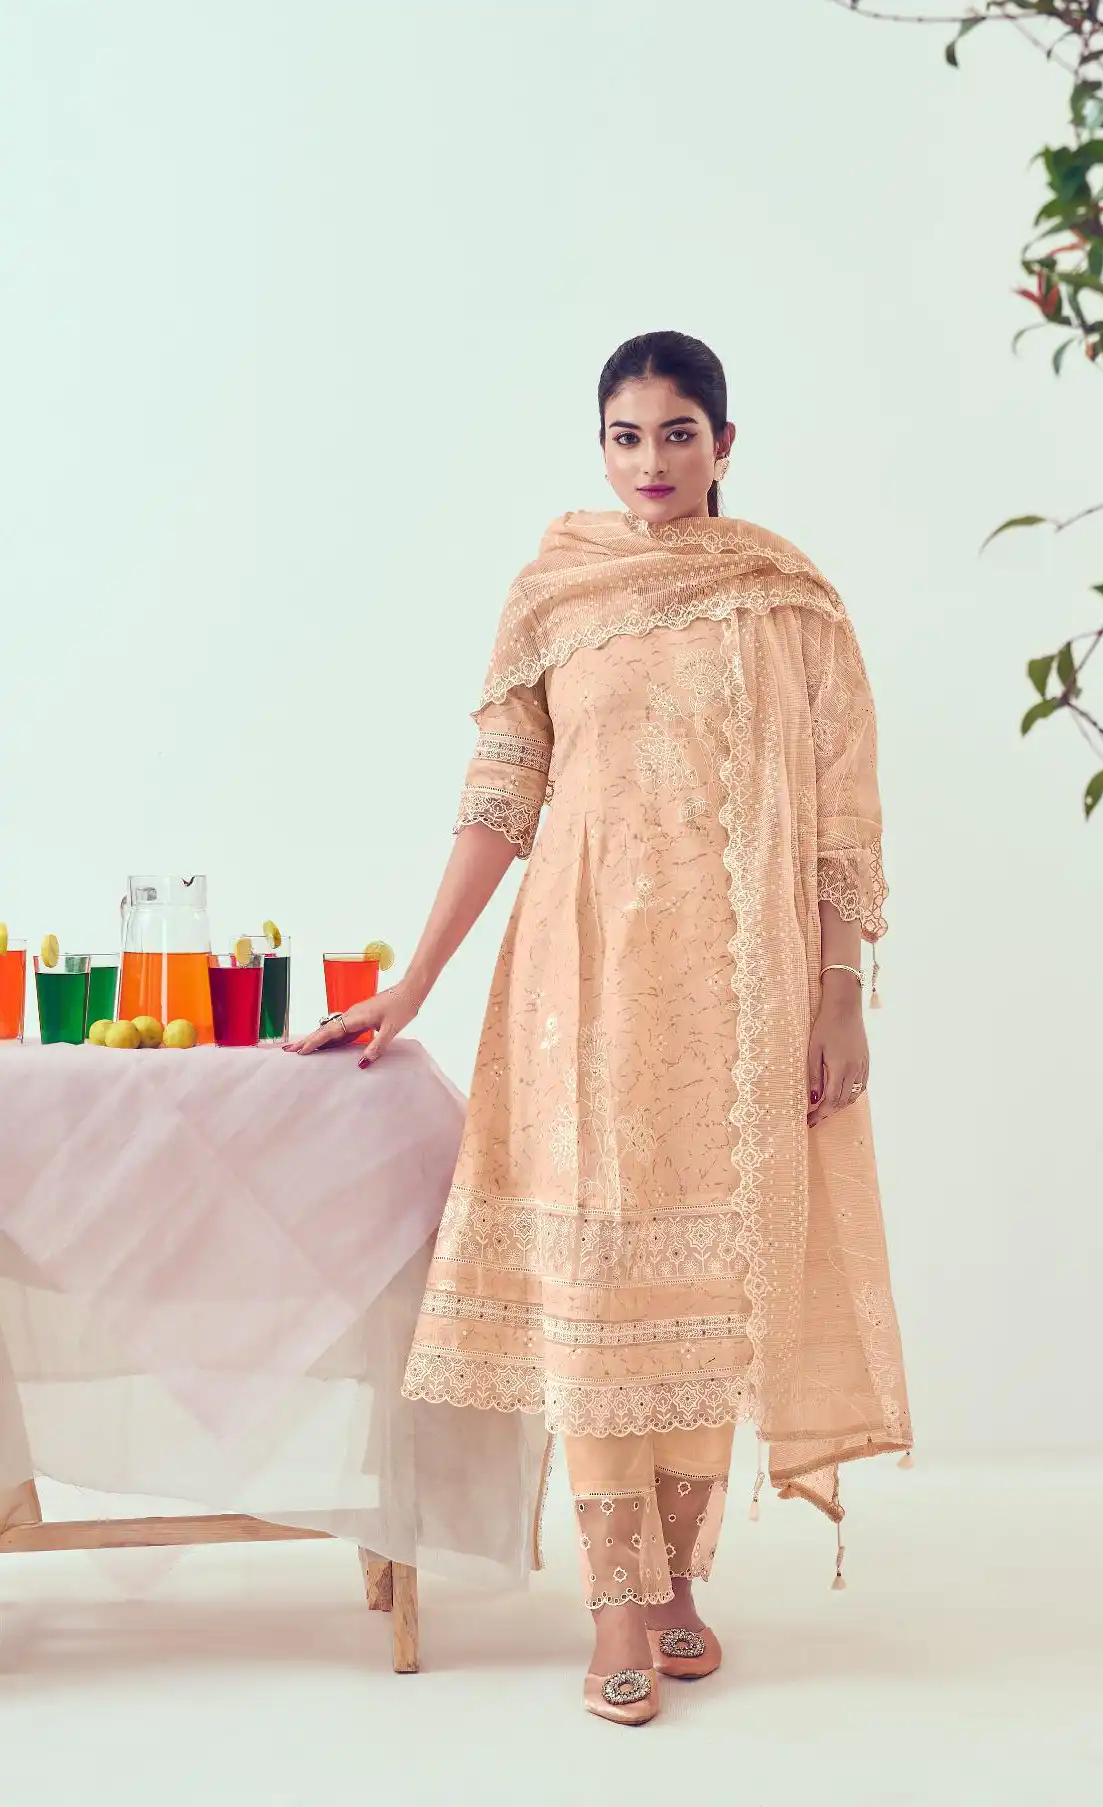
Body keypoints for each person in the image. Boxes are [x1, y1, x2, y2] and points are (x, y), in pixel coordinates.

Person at [287, 330, 913, 1725]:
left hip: (737, 997)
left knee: (705, 1286)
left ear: (726, 445)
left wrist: (838, 991)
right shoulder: (557, 591)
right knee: (599, 1285)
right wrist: (412, 981)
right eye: (626, 435)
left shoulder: (789, 602)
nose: (651, 460)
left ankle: (681, 1583)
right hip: (580, 990)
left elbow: (841, 812)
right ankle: (615, 1602)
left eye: (678, 432)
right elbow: (499, 798)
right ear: (602, 447)